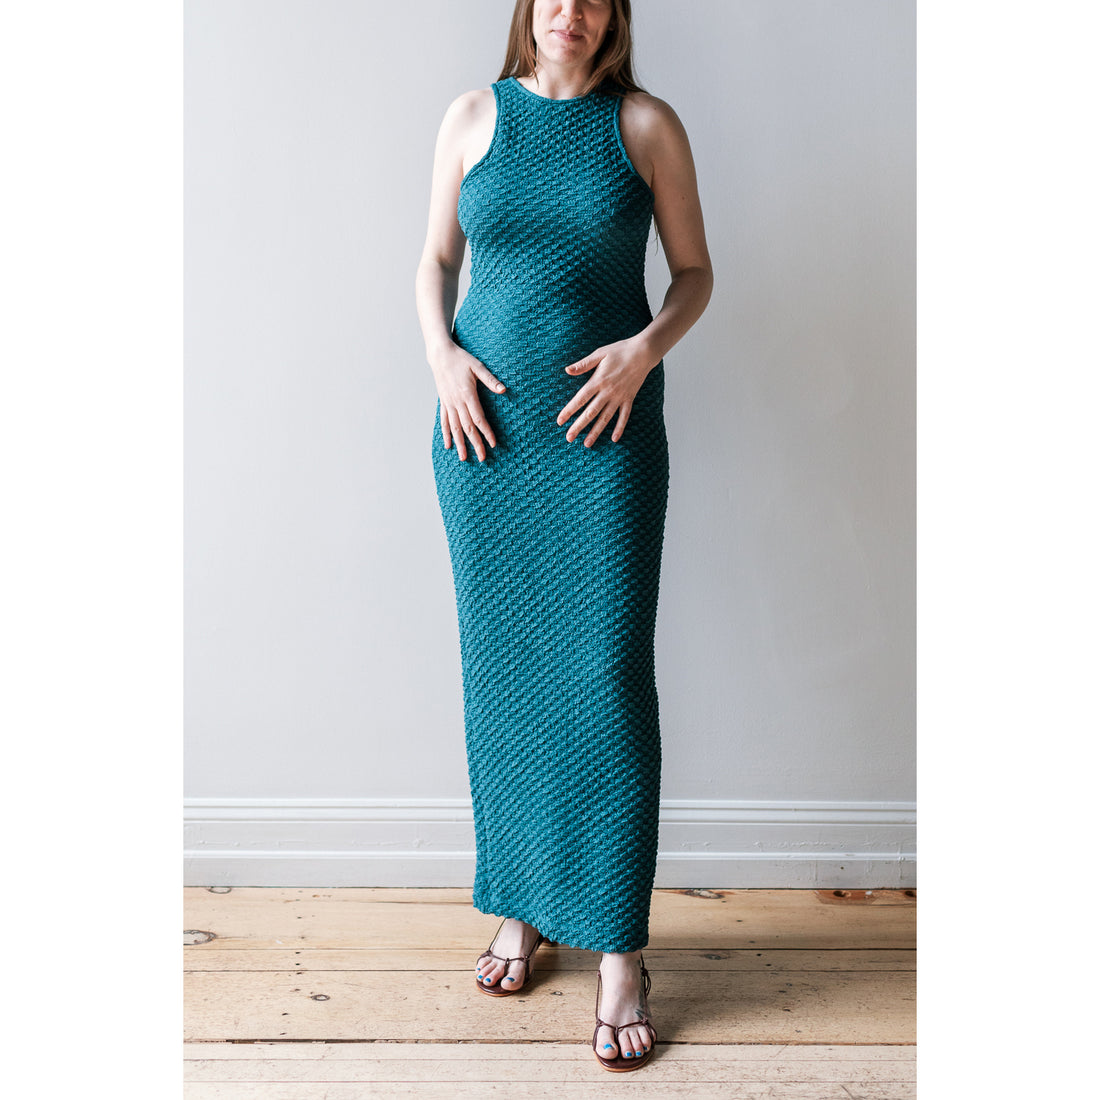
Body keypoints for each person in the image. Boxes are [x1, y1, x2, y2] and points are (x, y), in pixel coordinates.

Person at [414, 0, 712, 1072]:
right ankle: (523, 904)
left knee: (603, 677)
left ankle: (620, 948)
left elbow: (694, 273)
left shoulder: (645, 125)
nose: (568, 12)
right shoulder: (469, 117)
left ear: (612, 15)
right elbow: (434, 261)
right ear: (526, 9)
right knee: (504, 675)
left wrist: (642, 349)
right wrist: (443, 360)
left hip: (603, 439)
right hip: (484, 441)